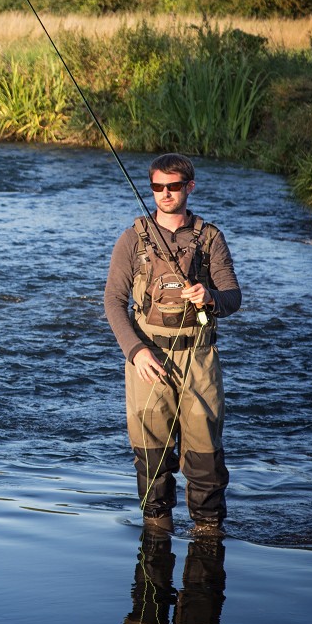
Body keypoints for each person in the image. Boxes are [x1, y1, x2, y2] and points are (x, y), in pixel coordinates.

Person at [104, 153, 241, 537]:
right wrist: (136, 351)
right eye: (157, 187)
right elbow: (113, 302)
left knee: (205, 461)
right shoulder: (132, 239)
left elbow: (233, 297)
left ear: (189, 187)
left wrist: (211, 296)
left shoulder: (210, 237)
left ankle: (209, 534)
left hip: (198, 358)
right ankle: (156, 532)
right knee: (151, 460)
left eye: (174, 187)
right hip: (148, 359)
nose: (165, 194)